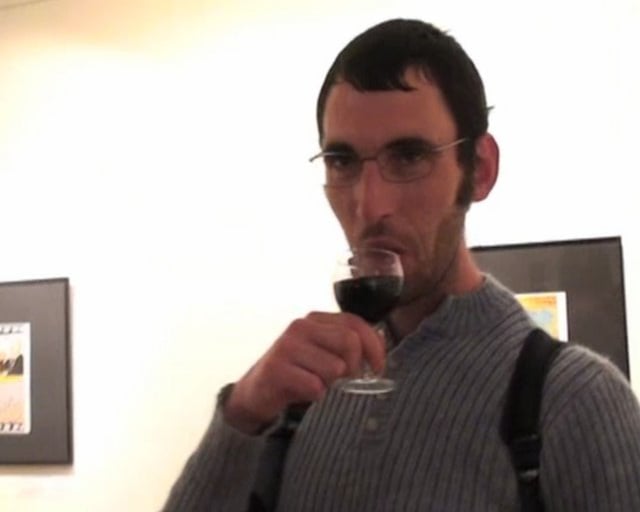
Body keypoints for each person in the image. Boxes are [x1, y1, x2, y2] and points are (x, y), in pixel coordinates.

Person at [162, 18, 640, 511]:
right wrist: (242, 413)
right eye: (342, 161)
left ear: (480, 170)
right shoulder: (301, 395)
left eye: (409, 157)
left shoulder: (576, 403)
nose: (370, 207)